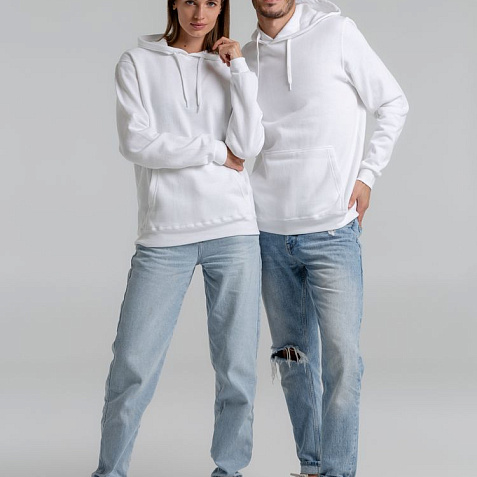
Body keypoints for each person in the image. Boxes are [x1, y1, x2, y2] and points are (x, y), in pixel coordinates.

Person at [91, 1, 264, 476]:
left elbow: (248, 146)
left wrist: (241, 72)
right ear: (173, 4)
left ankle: (229, 471)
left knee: (237, 370)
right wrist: (213, 151)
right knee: (132, 365)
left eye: (211, 2)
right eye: (190, 0)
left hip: (234, 230)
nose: (200, 13)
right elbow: (137, 142)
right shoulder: (137, 62)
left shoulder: (231, 66)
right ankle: (110, 472)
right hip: (165, 233)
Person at [243, 1, 409, 476]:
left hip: (332, 229)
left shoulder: (336, 32)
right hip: (269, 232)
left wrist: (368, 174)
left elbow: (393, 102)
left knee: (343, 362)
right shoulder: (246, 57)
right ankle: (312, 466)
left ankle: (337, 472)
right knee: (292, 358)